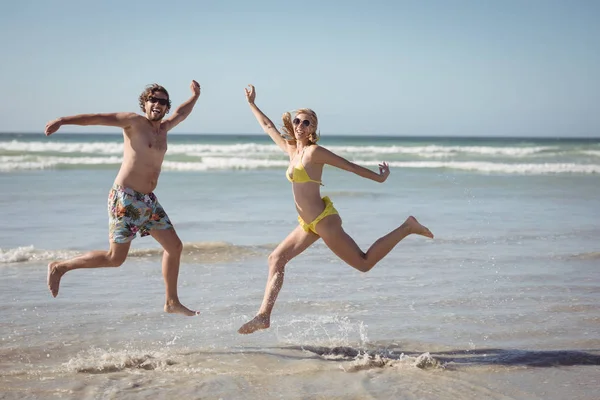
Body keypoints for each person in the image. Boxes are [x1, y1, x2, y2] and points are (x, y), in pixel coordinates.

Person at [238, 84, 434, 334]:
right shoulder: (291, 150)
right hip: (306, 224)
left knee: (364, 263)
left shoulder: (314, 152)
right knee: (276, 259)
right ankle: (264, 316)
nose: (300, 125)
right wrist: (252, 104)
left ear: (313, 130)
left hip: (323, 221)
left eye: (306, 123)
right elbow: (268, 127)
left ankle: (407, 227)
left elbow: (349, 166)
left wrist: (379, 178)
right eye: (297, 121)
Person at [44, 81, 201, 316]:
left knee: (174, 247)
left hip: (148, 200)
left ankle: (171, 301)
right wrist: (63, 120)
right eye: (153, 100)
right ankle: (60, 267)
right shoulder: (134, 122)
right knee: (115, 258)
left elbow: (183, 112)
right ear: (145, 104)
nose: (157, 104)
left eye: (162, 102)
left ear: (167, 107)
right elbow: (97, 118)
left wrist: (195, 96)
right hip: (125, 198)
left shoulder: (164, 128)